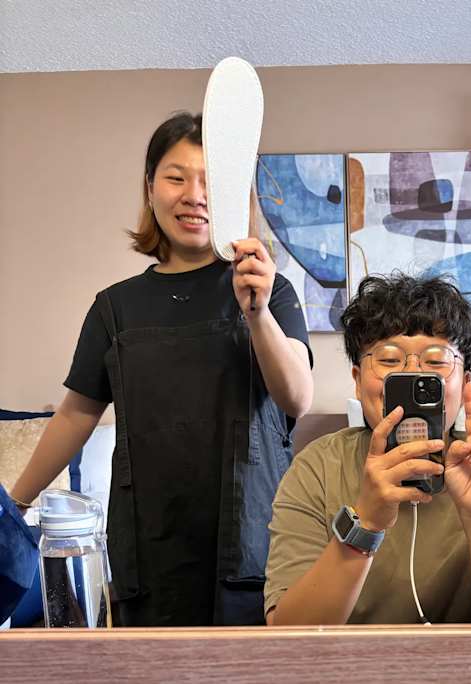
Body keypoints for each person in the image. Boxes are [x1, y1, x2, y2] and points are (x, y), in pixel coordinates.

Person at [10, 112, 314, 626]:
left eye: (211, 182)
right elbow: (77, 414)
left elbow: (297, 398)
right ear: (150, 188)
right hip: (150, 544)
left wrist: (257, 312)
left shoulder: (272, 291)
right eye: (177, 178)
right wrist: (14, 503)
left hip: (251, 539)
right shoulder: (115, 309)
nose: (195, 195)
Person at [264, 274, 471, 624]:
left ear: (465, 381)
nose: (412, 372)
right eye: (389, 360)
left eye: (436, 361)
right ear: (358, 381)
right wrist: (366, 522)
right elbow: (289, 632)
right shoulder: (318, 469)